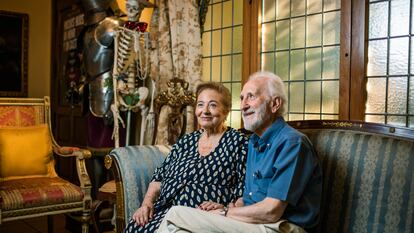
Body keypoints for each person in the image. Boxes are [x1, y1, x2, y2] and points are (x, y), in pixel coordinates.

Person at [157, 71, 322, 233]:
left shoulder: (292, 143)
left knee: (176, 214)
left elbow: (272, 211)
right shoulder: (254, 142)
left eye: (251, 96)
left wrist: (224, 213)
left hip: (282, 227)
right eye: (242, 98)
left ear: (274, 104)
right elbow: (250, 199)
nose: (243, 106)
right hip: (253, 223)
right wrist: (228, 207)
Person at [124, 82, 249, 233]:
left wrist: (225, 209)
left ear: (226, 111)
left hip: (201, 217)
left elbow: (243, 189)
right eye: (201, 104)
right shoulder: (187, 140)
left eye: (213, 105)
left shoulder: (238, 142)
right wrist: (146, 204)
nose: (205, 111)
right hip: (164, 210)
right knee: (136, 225)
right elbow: (159, 176)